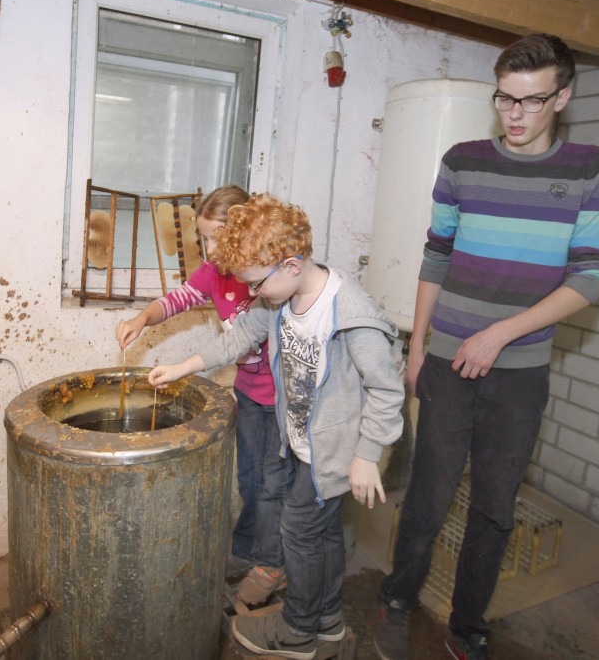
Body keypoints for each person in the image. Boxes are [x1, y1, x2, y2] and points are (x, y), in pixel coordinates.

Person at [374, 33, 599, 660]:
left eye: (531, 100)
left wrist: (501, 333)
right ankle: (397, 599)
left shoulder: (588, 168)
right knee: (428, 493)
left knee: (494, 507)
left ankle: (468, 625)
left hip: (520, 372)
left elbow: (589, 278)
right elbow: (436, 255)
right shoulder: (463, 160)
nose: (514, 113)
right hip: (447, 362)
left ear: (562, 97)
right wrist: (418, 347)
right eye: (505, 98)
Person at [148, 194, 405, 660]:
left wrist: (367, 455)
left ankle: (298, 632)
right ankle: (327, 621)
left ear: (290, 264)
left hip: (337, 451)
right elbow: (241, 338)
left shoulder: (351, 315)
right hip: (304, 442)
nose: (253, 292)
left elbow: (387, 390)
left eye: (256, 283)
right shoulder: (280, 297)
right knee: (323, 534)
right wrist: (183, 367)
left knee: (298, 530)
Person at [115, 185, 290, 604]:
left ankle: (272, 563)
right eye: (204, 239)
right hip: (249, 393)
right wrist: (142, 318)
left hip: (283, 401)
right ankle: (245, 551)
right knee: (249, 480)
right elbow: (177, 299)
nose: (209, 249)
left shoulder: (268, 277)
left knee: (274, 485)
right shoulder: (214, 272)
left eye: (216, 237)